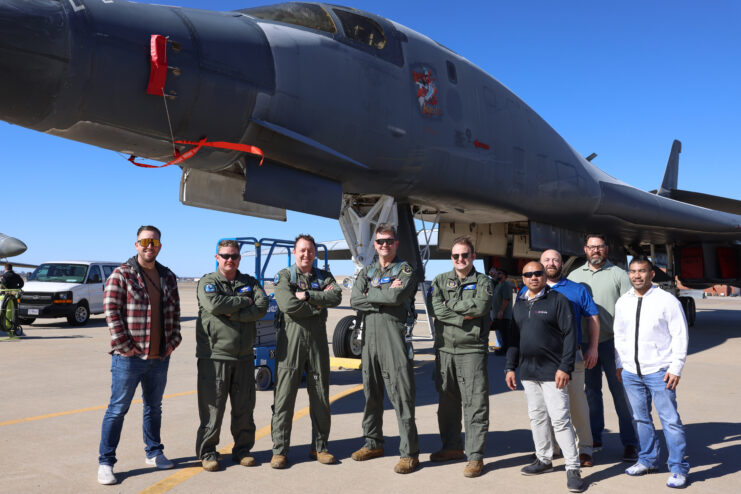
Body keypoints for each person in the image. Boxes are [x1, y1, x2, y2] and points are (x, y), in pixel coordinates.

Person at [97, 226, 181, 485]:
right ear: (136, 245)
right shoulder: (122, 274)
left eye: (154, 241)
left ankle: (154, 452)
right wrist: (125, 345)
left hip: (159, 357)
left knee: (153, 408)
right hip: (129, 358)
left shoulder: (167, 276)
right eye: (144, 241)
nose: (149, 245)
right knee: (117, 409)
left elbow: (175, 313)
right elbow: (111, 312)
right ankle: (106, 462)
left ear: (160, 245)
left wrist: (173, 342)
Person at [505, 261, 586, 493]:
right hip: (529, 373)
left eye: (537, 273)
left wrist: (565, 367)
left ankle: (573, 468)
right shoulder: (519, 303)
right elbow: (513, 339)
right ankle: (544, 459)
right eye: (528, 275)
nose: (533, 278)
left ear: (544, 276)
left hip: (553, 373)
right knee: (537, 417)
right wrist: (510, 367)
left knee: (560, 419)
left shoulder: (557, 300)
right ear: (522, 278)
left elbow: (570, 335)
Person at [350, 223, 420, 474]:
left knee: (401, 395)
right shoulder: (367, 271)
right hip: (370, 339)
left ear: (396, 243)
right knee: (371, 393)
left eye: (389, 241)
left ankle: (409, 453)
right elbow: (354, 299)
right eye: (380, 241)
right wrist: (381, 295)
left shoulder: (405, 269)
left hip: (393, 338)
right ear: (375, 244)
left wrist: (373, 295)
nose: (384, 245)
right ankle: (373, 442)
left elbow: (395, 298)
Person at [614, 257, 689, 488]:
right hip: (630, 372)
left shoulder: (666, 301)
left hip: (660, 371)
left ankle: (678, 468)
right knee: (639, 418)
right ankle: (647, 459)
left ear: (652, 274)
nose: (637, 276)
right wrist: (620, 363)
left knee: (670, 421)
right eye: (633, 271)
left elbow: (680, 334)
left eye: (642, 271)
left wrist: (676, 367)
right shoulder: (623, 301)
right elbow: (620, 335)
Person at [195, 239, 269, 471]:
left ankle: (243, 450)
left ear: (239, 258)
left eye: (234, 256)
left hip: (245, 356)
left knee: (244, 407)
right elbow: (215, 305)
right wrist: (242, 302)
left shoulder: (248, 282)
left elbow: (262, 305)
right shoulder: (209, 282)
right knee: (212, 408)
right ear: (217, 257)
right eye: (225, 256)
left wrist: (235, 314)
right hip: (215, 356)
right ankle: (208, 452)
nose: (230, 260)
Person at [270, 234, 342, 469]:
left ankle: (320, 447)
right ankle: (280, 450)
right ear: (294, 252)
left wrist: (310, 295)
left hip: (318, 343)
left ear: (315, 253)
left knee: (320, 396)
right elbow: (287, 304)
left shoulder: (323, 276)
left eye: (310, 251)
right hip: (291, 341)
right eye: (302, 250)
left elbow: (336, 296)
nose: (306, 254)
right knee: (284, 398)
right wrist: (316, 308)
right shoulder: (285, 276)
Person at [567, 234, 638, 461]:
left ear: (606, 250)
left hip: (612, 344)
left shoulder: (619, 275)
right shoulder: (574, 276)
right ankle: (595, 436)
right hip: (584, 345)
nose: (595, 250)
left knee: (621, 394)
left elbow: (629, 311)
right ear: (585, 250)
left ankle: (630, 442)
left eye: (599, 247)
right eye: (591, 247)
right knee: (591, 394)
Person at [429, 236, 493, 478]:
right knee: (447, 403)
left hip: (471, 350)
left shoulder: (484, 282)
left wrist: (449, 305)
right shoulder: (440, 279)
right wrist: (459, 316)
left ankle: (475, 456)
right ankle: (451, 447)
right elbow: (435, 306)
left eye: (465, 255)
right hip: (445, 349)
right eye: (455, 256)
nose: (460, 259)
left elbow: (480, 307)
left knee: (475, 404)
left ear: (473, 256)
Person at [540, 249, 600, 467]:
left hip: (572, 354)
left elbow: (593, 317)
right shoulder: (533, 289)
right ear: (541, 263)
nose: (551, 263)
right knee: (545, 406)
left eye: (555, 259)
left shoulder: (576, 289)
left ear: (562, 263)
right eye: (546, 260)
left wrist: (592, 347)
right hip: (542, 358)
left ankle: (585, 448)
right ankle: (550, 448)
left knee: (577, 403)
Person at [490, 268, 513, 354]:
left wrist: (501, 311)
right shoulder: (498, 285)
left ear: (505, 276)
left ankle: (505, 350)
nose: (498, 275)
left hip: (503, 315)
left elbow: (506, 299)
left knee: (505, 334)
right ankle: (502, 348)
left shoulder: (505, 285)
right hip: (497, 315)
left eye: (500, 273)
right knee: (500, 333)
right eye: (497, 273)